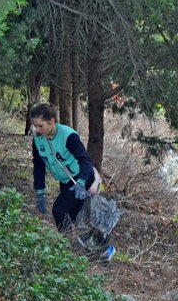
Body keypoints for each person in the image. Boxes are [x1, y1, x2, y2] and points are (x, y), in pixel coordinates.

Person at [30, 103, 115, 262]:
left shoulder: (68, 136)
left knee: (58, 210)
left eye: (40, 126)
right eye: (35, 126)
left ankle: (69, 248)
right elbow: (39, 166)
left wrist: (81, 182)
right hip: (66, 180)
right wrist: (40, 192)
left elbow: (85, 161)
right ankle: (105, 250)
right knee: (75, 217)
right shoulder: (38, 140)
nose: (37, 130)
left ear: (52, 121)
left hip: (82, 177)